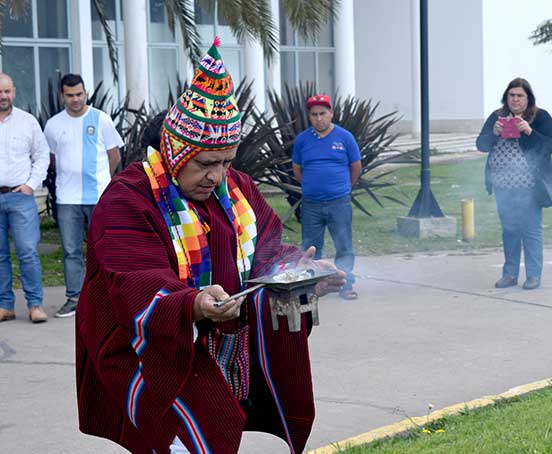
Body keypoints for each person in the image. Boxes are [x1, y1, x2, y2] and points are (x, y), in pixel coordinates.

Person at [75, 40, 345, 454]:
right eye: (205, 163)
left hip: (222, 351)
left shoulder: (237, 188)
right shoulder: (128, 198)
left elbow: (265, 251)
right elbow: (135, 278)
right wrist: (193, 304)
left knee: (222, 429)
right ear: (175, 152)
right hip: (150, 351)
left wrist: (299, 272)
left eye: (226, 162)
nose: (218, 176)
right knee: (184, 438)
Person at [43, 73, 124, 318]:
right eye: (70, 95)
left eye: (79, 94)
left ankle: (108, 297)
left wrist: (103, 181)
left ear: (85, 93)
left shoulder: (102, 119)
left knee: (104, 248)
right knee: (71, 250)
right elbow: (52, 159)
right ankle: (74, 298)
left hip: (99, 197)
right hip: (67, 199)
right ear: (62, 96)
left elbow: (115, 156)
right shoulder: (53, 124)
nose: (75, 99)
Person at [475, 77, 552, 290]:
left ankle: (533, 275)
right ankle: (509, 274)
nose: (515, 100)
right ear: (506, 97)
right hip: (503, 184)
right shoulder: (497, 117)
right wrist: (493, 133)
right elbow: (481, 145)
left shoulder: (540, 117)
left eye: (520, 95)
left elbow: (549, 146)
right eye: (511, 95)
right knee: (509, 229)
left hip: (530, 185)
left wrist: (529, 131)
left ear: (528, 98)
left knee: (530, 230)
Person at [292, 94, 362, 300]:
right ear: (309, 116)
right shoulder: (302, 140)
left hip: (339, 202)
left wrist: (344, 187)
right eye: (314, 114)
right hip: (311, 204)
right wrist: (311, 185)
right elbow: (297, 169)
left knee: (344, 246)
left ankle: (346, 284)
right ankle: (312, 287)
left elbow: (356, 167)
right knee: (311, 248)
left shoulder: (345, 137)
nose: (319, 118)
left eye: (323, 113)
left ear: (331, 113)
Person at [0, 73, 50, 323]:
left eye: (7, 91)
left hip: (20, 197)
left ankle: (35, 305)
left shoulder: (27, 122)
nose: (3, 96)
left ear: (14, 92)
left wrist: (31, 185)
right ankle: (5, 305)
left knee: (27, 251)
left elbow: (42, 155)